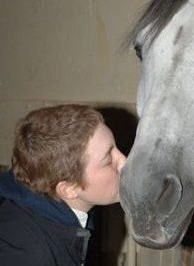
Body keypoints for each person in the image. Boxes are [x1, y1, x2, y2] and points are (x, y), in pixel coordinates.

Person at [0, 104, 126, 265]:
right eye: (108, 160)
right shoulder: (28, 256)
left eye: (116, 148)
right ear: (69, 189)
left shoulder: (74, 211)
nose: (125, 162)